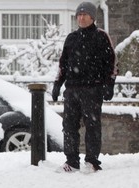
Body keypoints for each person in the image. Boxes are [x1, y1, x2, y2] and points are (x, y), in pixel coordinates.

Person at [52, 2, 118, 173]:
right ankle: (72, 162)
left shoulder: (101, 37)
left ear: (92, 17)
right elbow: (63, 64)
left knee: (92, 126)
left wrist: (109, 85)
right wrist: (57, 85)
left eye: (84, 14)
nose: (81, 18)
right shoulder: (71, 38)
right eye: (78, 15)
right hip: (72, 90)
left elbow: (111, 63)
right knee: (69, 126)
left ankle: (92, 162)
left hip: (92, 90)